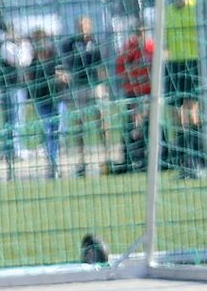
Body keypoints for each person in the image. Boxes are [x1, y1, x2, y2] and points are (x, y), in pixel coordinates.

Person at [164, 0, 203, 179]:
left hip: (193, 63)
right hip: (174, 65)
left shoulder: (196, 6)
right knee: (176, 116)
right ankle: (184, 161)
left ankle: (197, 159)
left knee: (191, 112)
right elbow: (165, 42)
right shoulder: (168, 11)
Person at [61, 15, 109, 177]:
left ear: (91, 27)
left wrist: (104, 86)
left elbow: (101, 66)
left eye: (86, 26)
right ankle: (81, 162)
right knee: (78, 123)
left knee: (101, 119)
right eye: (80, 26)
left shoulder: (96, 42)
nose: (83, 29)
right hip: (79, 85)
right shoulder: (71, 44)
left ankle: (105, 157)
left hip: (95, 85)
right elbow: (67, 63)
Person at [0, 20, 32, 180]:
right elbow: (17, 60)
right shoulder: (5, 46)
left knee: (18, 117)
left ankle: (14, 147)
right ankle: (11, 148)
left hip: (20, 86)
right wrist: (20, 47)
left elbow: (27, 60)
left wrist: (22, 45)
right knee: (11, 118)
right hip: (9, 86)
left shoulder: (23, 45)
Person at [26, 28, 68, 179]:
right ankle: (52, 163)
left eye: (41, 40)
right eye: (36, 41)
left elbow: (64, 76)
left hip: (57, 98)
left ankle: (56, 159)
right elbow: (30, 80)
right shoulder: (33, 60)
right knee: (48, 130)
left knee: (59, 131)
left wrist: (60, 77)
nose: (39, 43)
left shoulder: (54, 55)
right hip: (42, 99)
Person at [113, 25, 155, 173]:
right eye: (138, 33)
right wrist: (129, 73)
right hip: (133, 92)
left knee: (149, 122)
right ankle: (134, 157)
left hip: (149, 92)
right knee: (134, 123)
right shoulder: (128, 49)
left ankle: (151, 154)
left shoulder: (151, 48)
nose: (140, 36)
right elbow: (120, 69)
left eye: (143, 33)